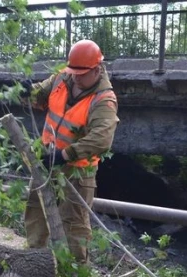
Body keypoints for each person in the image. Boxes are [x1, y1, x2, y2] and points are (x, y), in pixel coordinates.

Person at [23, 39, 119, 264]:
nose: (76, 77)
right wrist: (27, 91)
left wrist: (65, 155)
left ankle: (74, 272)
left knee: (73, 223)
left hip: (77, 170)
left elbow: (101, 139)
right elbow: (40, 96)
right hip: (47, 160)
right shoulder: (62, 77)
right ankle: (35, 260)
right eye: (73, 71)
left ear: (96, 70)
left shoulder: (104, 100)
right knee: (36, 208)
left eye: (81, 73)